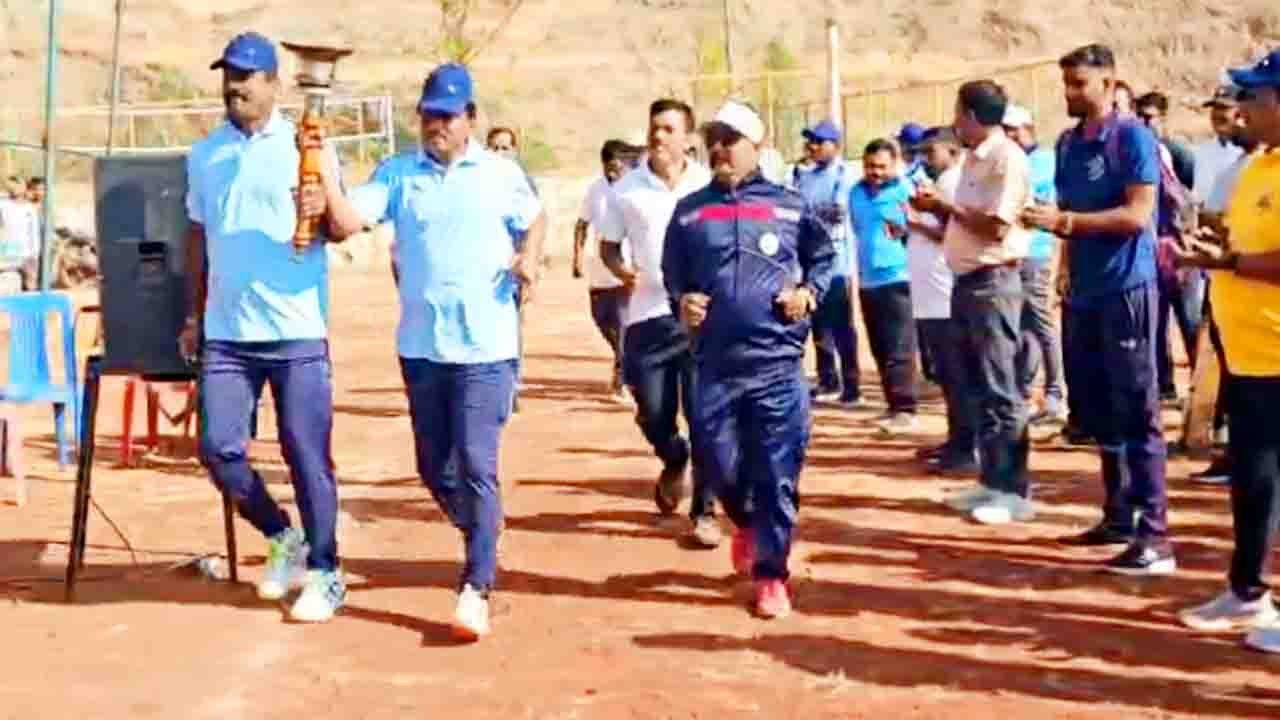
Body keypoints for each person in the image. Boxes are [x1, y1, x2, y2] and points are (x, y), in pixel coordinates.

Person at [323, 63, 545, 640]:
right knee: (434, 468)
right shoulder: (399, 174)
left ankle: (476, 586)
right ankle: (483, 532)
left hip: (486, 346)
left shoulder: (500, 174)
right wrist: (321, 167)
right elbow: (345, 222)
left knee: (475, 461)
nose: (435, 126)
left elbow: (535, 218)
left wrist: (529, 256)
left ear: (470, 118)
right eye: (427, 116)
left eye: (447, 116)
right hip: (422, 347)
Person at [181, 31, 346, 622]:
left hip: (296, 330)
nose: (235, 86)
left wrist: (322, 211)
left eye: (247, 76)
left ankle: (326, 572)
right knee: (218, 450)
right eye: (229, 75)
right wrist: (193, 314)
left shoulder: (309, 146)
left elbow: (341, 227)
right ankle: (283, 536)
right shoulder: (205, 155)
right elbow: (197, 235)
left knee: (306, 455)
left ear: (275, 84)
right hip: (228, 333)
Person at [664, 100, 834, 618]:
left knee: (777, 472)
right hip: (714, 364)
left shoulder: (790, 206)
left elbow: (822, 258)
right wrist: (683, 301)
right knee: (717, 463)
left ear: (756, 146)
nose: (719, 148)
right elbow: (673, 275)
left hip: (776, 362)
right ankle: (748, 524)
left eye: (730, 139)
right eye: (713, 139)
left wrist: (808, 292)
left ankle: (771, 575)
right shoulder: (689, 211)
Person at [1022, 43, 1176, 575]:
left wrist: (1063, 224)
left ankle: (1155, 534)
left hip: (1127, 288)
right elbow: (1069, 211)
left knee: (1138, 408)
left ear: (1109, 84)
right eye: (1066, 83)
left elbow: (1137, 215)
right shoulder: (1068, 143)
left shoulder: (1132, 137)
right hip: (1084, 291)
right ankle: (1118, 515)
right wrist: (1064, 264)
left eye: (1079, 83)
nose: (1069, 93)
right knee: (1098, 408)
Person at [1175, 48, 1280, 653]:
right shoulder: (1260, 166)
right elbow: (1239, 239)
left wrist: (1232, 260)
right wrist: (1211, 244)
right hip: (1248, 353)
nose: (1243, 109)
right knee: (1255, 479)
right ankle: (1248, 590)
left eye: (1255, 97)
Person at [598, 98, 720, 545]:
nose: (658, 136)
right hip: (648, 315)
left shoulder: (709, 185)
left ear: (688, 138)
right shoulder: (626, 189)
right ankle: (673, 455)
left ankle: (705, 512)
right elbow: (608, 245)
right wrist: (622, 271)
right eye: (654, 128)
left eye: (669, 129)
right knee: (652, 412)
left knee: (705, 416)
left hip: (702, 318)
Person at [920, 80, 1033, 525]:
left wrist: (947, 207)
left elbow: (997, 226)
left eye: (957, 113)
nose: (954, 122)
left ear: (970, 115)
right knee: (979, 387)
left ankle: (1014, 490)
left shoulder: (1007, 158)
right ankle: (991, 481)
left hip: (994, 281)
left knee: (1001, 388)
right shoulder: (974, 157)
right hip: (968, 281)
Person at [905, 127, 974, 474]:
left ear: (951, 150)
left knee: (956, 374)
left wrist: (914, 223)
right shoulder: (942, 182)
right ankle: (956, 440)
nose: (925, 159)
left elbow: (952, 232)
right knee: (946, 373)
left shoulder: (952, 183)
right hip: (931, 293)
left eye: (931, 152)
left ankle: (965, 447)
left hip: (944, 293)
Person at [1135, 92, 1206, 403]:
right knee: (1156, 323)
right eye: (1141, 116)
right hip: (1152, 250)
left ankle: (1200, 388)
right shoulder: (1137, 153)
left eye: (1150, 117)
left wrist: (1187, 236)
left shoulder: (1177, 153)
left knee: (1190, 319)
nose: (1145, 122)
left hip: (1180, 250)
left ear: (1163, 118)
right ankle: (1165, 387)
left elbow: (1187, 198)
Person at [849, 138, 919, 435]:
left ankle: (906, 409)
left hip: (899, 277)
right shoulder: (856, 192)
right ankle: (892, 405)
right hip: (868, 279)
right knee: (879, 345)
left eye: (881, 167)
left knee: (899, 345)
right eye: (870, 166)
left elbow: (919, 228)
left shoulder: (906, 190)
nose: (875, 172)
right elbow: (858, 228)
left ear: (895, 165)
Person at [1005, 104, 1067, 425]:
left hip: (1035, 251)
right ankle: (1025, 390)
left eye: (1013, 129)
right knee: (1026, 324)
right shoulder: (1016, 160)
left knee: (1041, 323)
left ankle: (1055, 393)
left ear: (1027, 129)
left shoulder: (1043, 162)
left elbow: (1035, 207)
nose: (1009, 135)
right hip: (1015, 250)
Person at [793, 119, 859, 405]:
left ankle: (852, 386)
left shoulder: (842, 174)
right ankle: (827, 379)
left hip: (837, 265)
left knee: (842, 327)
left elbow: (836, 212)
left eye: (820, 141)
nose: (813, 146)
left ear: (835, 145)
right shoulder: (805, 177)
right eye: (811, 141)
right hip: (809, 265)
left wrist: (809, 214)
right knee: (819, 326)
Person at [574, 139, 640, 400]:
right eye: (609, 167)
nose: (613, 171)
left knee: (623, 323)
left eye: (618, 166)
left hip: (627, 268)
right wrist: (577, 257)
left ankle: (622, 375)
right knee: (601, 318)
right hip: (599, 269)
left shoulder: (635, 189)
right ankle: (623, 358)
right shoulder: (595, 190)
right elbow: (582, 224)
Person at [1191, 85, 1245, 204]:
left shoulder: (1255, 153)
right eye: (1215, 108)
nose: (1217, 114)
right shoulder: (1200, 152)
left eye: (1224, 108)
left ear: (1241, 112)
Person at [0, 175, 39, 290]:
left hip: (28, 252)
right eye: (11, 186)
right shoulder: (3, 205)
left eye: (17, 186)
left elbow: (34, 232)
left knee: (30, 284)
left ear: (24, 187)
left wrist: (35, 252)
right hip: (8, 250)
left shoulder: (30, 208)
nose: (14, 189)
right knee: (8, 282)